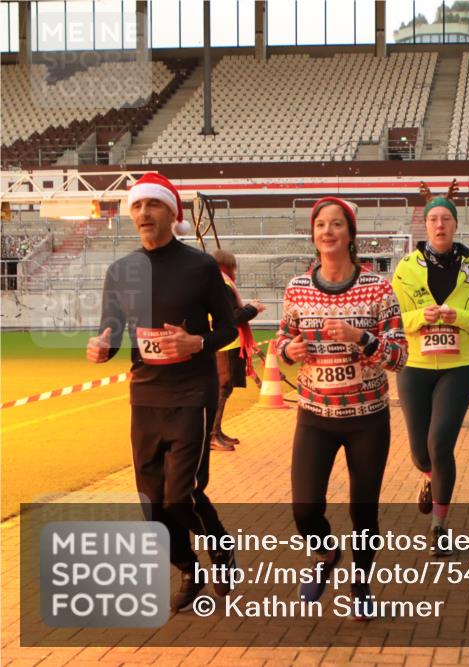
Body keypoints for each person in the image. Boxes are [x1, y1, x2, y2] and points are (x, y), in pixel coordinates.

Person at [86, 172, 237, 612]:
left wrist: (198, 343)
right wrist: (101, 347)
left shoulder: (201, 266)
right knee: (151, 504)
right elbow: (110, 331)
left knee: (180, 493)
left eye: (152, 205)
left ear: (172, 212)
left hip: (192, 390)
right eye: (136, 206)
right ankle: (189, 568)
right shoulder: (120, 271)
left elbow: (228, 327)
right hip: (145, 395)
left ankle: (220, 550)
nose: (144, 213)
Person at [276, 196, 407, 618]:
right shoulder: (296, 288)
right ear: (313, 234)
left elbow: (399, 355)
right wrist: (289, 349)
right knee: (304, 509)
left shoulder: (378, 289)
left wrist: (360, 338)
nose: (327, 231)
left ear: (350, 235)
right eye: (320, 225)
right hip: (314, 416)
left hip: (367, 417)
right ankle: (326, 553)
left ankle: (362, 585)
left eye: (336, 224)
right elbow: (280, 341)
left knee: (363, 509)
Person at [392, 184, 469, 556]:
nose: (439, 225)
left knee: (440, 444)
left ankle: (439, 526)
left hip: (458, 367)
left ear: (455, 225)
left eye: (446, 219)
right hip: (415, 366)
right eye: (433, 219)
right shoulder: (405, 269)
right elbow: (393, 320)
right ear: (425, 225)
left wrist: (459, 316)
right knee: (421, 454)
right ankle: (427, 479)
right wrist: (422, 316)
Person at [209, 249, 265, 452]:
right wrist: (253, 309)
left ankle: (216, 431)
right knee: (222, 388)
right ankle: (212, 435)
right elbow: (231, 317)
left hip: (225, 343)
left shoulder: (218, 283)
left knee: (224, 388)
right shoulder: (222, 284)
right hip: (225, 344)